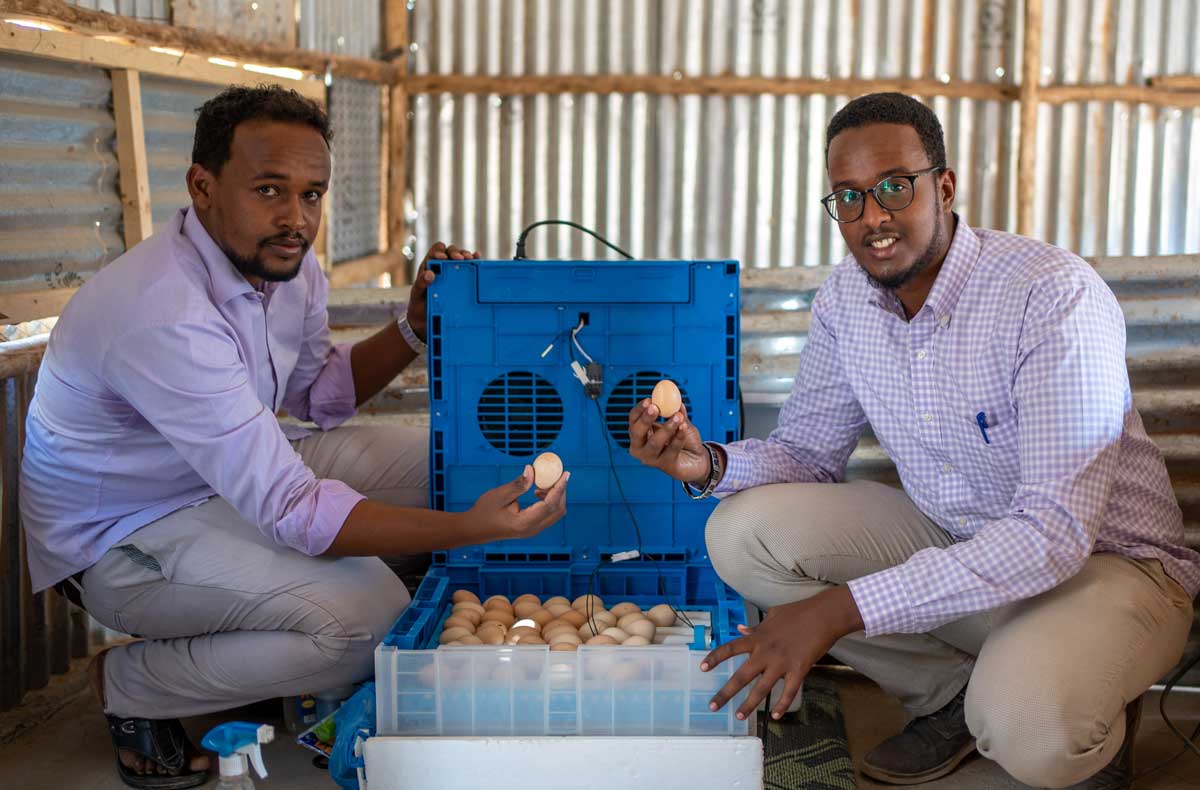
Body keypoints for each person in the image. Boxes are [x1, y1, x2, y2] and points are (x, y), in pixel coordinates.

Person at [628, 92, 1198, 789]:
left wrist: (838, 611)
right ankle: (950, 696)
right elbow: (807, 455)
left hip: (1110, 569)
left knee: (1030, 729)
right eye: (848, 198)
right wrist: (704, 461)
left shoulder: (1050, 295)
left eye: (895, 187)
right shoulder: (846, 302)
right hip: (963, 545)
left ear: (946, 187)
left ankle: (1083, 712)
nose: (873, 218)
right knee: (743, 532)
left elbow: (1054, 532)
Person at [20, 84, 569, 789]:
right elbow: (294, 510)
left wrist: (413, 326)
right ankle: (133, 684)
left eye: (311, 195)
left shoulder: (286, 265)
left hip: (227, 477)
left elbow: (318, 393)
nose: (295, 219)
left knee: (452, 465)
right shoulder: (162, 312)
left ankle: (265, 643)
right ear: (203, 186)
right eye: (270, 190)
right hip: (128, 534)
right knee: (369, 619)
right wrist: (466, 528)